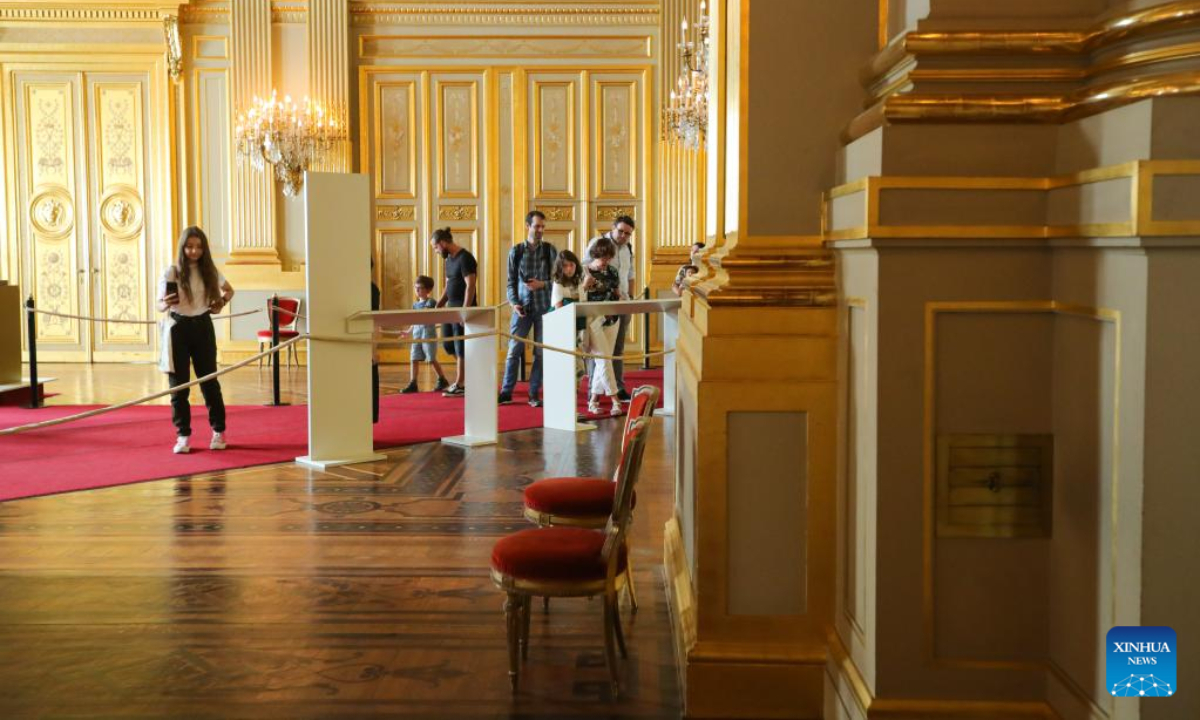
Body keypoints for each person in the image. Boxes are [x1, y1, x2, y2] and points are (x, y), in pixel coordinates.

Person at [157, 226, 234, 454]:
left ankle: (218, 431)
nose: (194, 251)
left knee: (209, 383)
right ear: (182, 247)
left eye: (199, 247)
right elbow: (158, 305)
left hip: (202, 326)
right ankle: (183, 436)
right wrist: (165, 303)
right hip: (177, 328)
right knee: (178, 387)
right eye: (190, 246)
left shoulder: (209, 271)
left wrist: (221, 303)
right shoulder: (171, 272)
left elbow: (230, 291)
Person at [500, 210, 557, 408]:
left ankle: (534, 393)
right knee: (513, 351)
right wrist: (513, 302)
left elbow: (559, 281)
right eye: (537, 226)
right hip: (521, 310)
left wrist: (542, 284)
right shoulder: (516, 251)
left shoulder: (550, 250)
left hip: (544, 309)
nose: (540, 230)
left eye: (543, 227)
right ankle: (506, 392)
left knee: (540, 353)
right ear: (528, 226)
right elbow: (510, 283)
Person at [585, 215, 636, 401]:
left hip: (622, 302)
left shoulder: (628, 248)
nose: (623, 236)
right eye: (620, 231)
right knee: (597, 350)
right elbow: (585, 266)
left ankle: (619, 388)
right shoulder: (598, 243)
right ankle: (594, 391)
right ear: (613, 228)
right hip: (599, 305)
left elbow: (630, 274)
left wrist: (630, 297)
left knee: (618, 348)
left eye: (627, 233)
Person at [431, 227, 477, 396]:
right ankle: (468, 375)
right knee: (448, 345)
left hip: (462, 308)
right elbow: (448, 284)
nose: (436, 251)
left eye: (436, 247)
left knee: (460, 347)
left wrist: (464, 311)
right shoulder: (449, 260)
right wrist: (439, 305)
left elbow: (470, 285)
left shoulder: (465, 258)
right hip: (450, 308)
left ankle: (461, 383)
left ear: (443, 243)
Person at [581, 237, 623, 416]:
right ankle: (615, 400)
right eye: (603, 257)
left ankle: (593, 401)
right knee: (603, 359)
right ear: (595, 255)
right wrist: (585, 285)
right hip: (593, 321)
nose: (606, 261)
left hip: (612, 319)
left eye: (609, 258)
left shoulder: (612, 271)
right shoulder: (584, 271)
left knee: (603, 361)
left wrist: (616, 305)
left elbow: (616, 293)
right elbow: (579, 297)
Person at [401, 275, 450, 394]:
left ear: (428, 290)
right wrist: (408, 331)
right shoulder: (415, 305)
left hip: (428, 333)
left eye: (420, 288)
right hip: (417, 334)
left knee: (431, 358)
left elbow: (430, 314)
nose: (417, 290)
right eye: (415, 287)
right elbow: (414, 320)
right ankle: (413, 382)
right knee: (414, 357)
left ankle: (442, 379)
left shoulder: (431, 302)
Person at [550, 249, 586, 382]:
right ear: (560, 267)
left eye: (572, 265)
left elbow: (583, 301)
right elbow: (558, 307)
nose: (569, 269)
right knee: (569, 359)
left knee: (579, 359)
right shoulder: (558, 283)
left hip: (579, 321)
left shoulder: (579, 281)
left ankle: (576, 387)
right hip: (564, 324)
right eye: (565, 266)